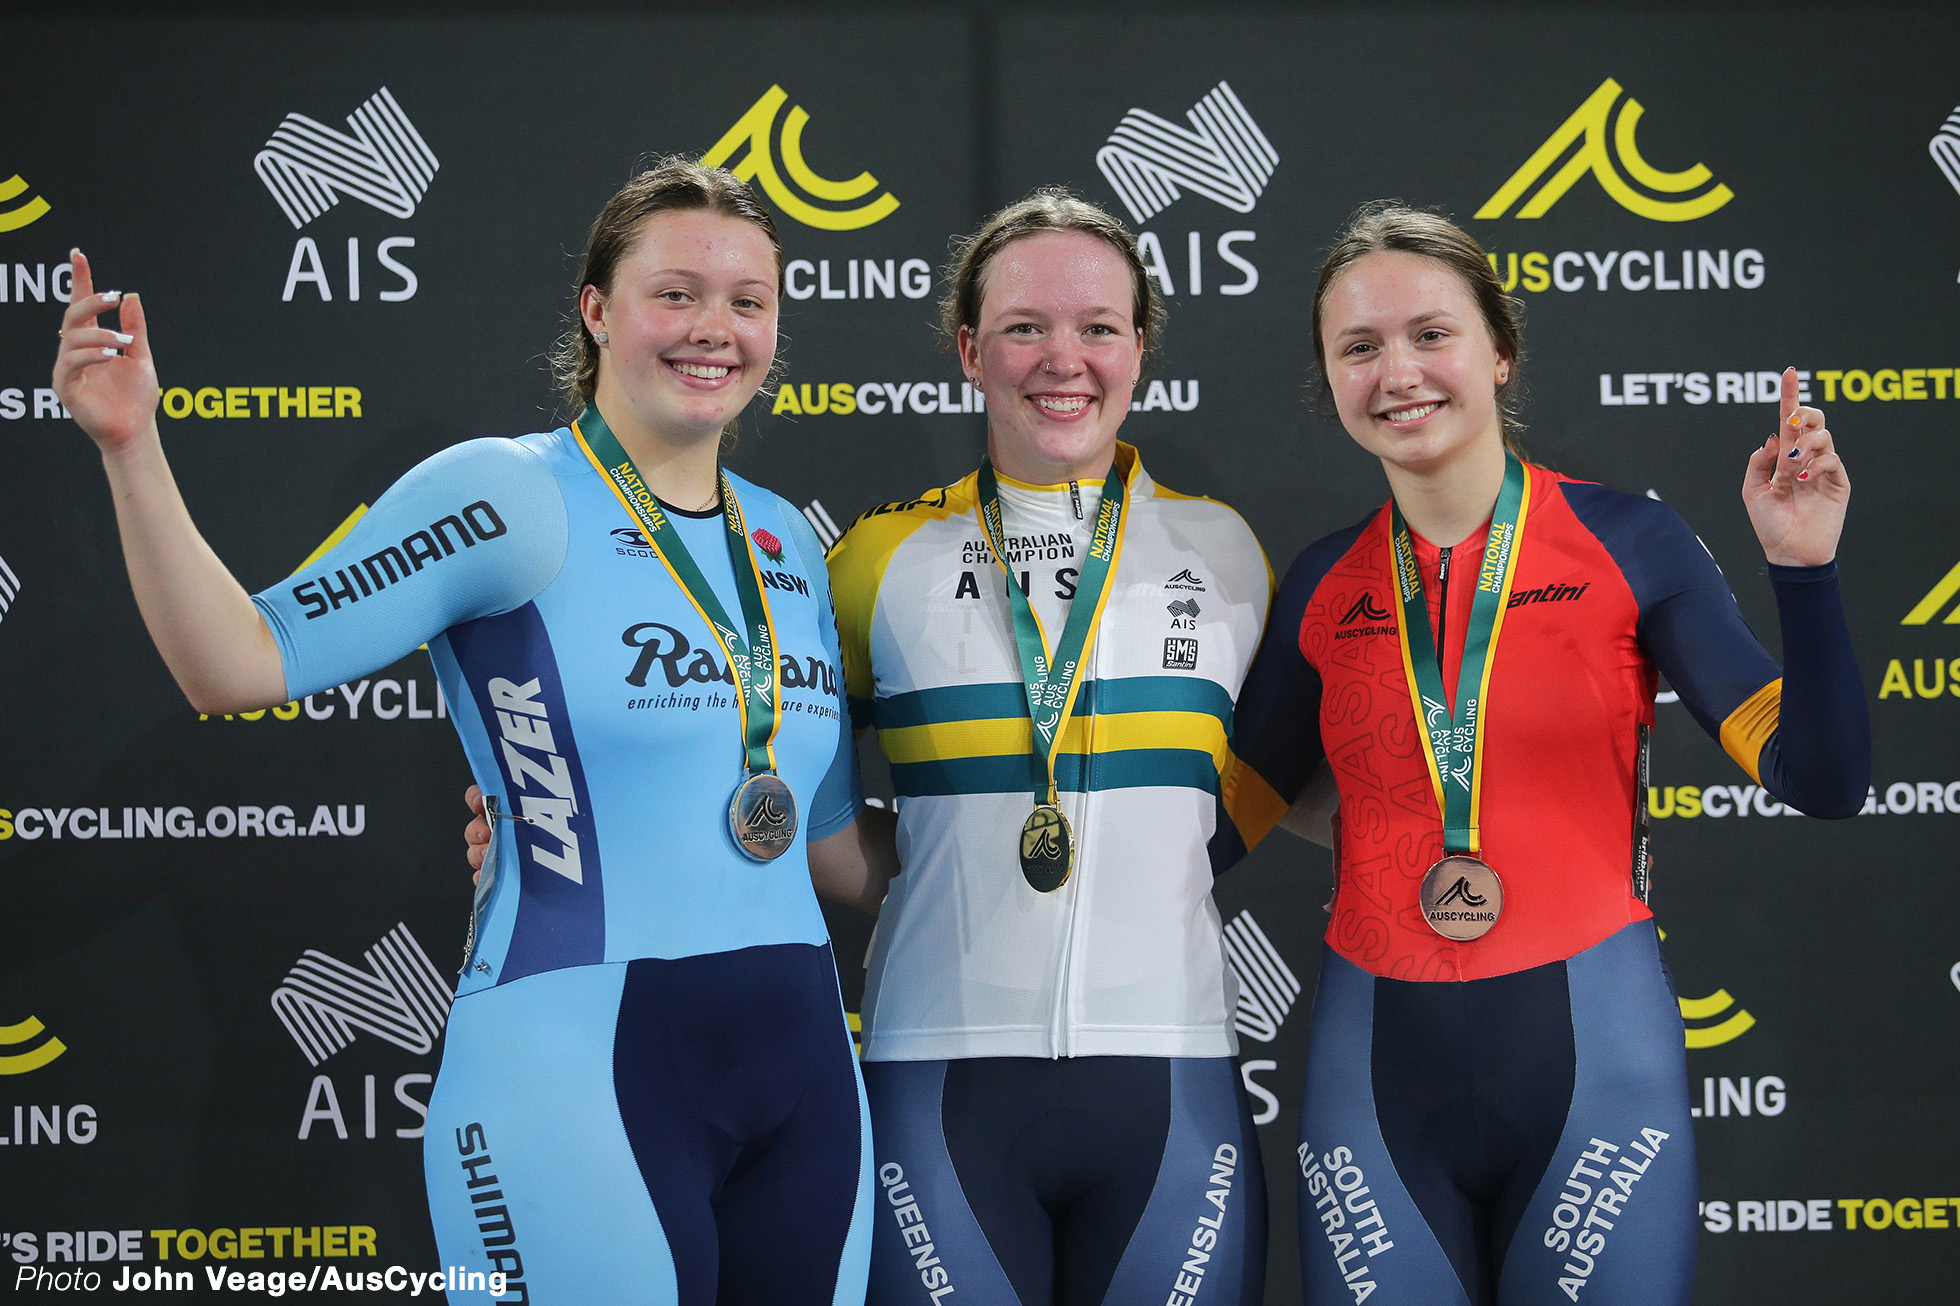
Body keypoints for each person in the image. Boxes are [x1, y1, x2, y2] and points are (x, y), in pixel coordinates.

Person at [53, 159, 876, 1305]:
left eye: (748, 301)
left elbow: (831, 848)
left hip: (803, 1069)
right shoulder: (503, 496)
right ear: (596, 310)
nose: (715, 329)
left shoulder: (785, 539)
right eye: (675, 293)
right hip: (572, 1055)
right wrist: (129, 446)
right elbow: (237, 664)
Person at [1213, 202, 1868, 1306]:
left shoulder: (1628, 541)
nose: (1398, 373)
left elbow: (1823, 777)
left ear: (1499, 351)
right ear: (1327, 380)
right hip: (1373, 1085)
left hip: (1595, 1068)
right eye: (1358, 347)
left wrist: (1801, 569)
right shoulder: (1321, 586)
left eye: (1431, 333)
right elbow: (1204, 835)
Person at [830, 189, 1272, 1306]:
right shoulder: (882, 557)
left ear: (1140, 350)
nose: (1061, 358)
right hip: (937, 1079)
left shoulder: (1223, 551)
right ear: (971, 350)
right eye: (1025, 326)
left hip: (1171, 1078)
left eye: (1098, 327)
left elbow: (1295, 775)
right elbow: (761, 772)